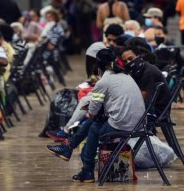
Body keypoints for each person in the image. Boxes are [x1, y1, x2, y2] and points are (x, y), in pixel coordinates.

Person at [46, 48, 145, 183]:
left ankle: (82, 164)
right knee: (96, 122)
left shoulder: (103, 82)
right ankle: (71, 149)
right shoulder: (126, 76)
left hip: (124, 125)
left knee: (93, 126)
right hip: (139, 123)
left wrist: (91, 111)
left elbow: (92, 111)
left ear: (98, 66)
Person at [120, 45, 171, 116]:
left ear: (139, 56)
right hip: (150, 108)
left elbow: (142, 98)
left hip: (156, 111)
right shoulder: (141, 70)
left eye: (131, 59)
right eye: (125, 61)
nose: (128, 62)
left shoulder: (148, 72)